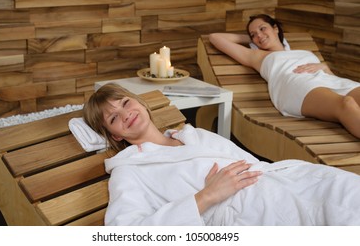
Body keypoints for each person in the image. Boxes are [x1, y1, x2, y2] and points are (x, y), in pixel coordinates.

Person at [83, 83, 360, 226]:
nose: (126, 114)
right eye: (113, 118)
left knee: (346, 188)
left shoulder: (194, 135)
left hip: (281, 182)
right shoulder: (129, 171)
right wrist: (205, 198)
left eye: (126, 103)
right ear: (115, 135)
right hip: (250, 215)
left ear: (141, 103)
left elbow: (253, 166)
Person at [209, 14, 360, 139]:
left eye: (263, 29)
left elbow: (331, 78)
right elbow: (215, 37)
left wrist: (325, 67)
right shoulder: (256, 56)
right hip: (297, 86)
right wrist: (251, 39)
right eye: (253, 34)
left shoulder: (302, 52)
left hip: (328, 79)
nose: (258, 35)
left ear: (275, 28)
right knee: (347, 103)